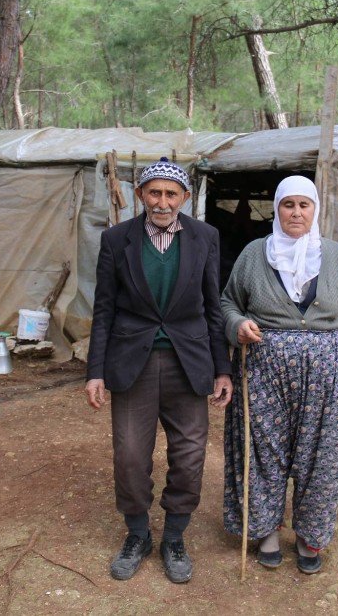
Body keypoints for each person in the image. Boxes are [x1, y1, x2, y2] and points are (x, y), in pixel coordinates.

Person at [85, 157, 233, 584]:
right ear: (141, 196)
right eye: (154, 193)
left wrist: (222, 370)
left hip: (190, 362)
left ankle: (173, 536)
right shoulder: (117, 240)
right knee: (130, 454)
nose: (162, 201)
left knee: (189, 454)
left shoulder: (206, 237)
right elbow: (105, 309)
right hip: (134, 362)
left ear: (186, 197)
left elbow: (212, 306)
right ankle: (137, 534)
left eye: (171, 194)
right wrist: (95, 371)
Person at [220, 175, 338, 574]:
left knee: (319, 455)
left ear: (315, 210)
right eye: (288, 205)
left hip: (324, 373)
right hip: (264, 369)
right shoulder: (254, 254)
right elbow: (227, 303)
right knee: (264, 449)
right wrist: (237, 326)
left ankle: (309, 535)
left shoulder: (335, 256)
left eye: (304, 205)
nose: (296, 212)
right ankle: (265, 529)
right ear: (277, 209)